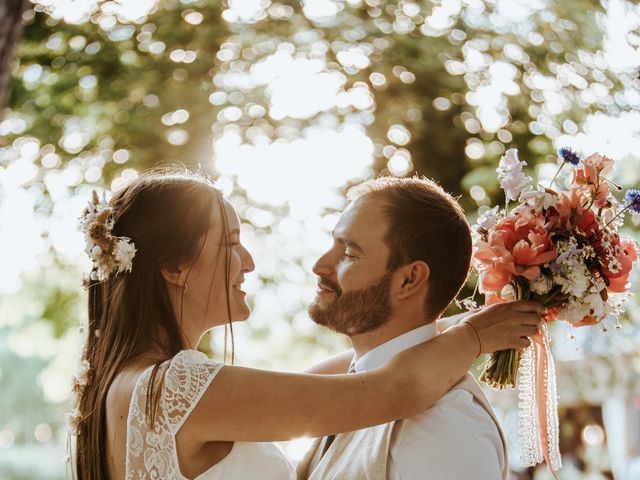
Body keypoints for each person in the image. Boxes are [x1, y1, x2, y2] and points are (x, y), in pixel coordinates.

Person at [69, 168, 544, 480]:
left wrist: (460, 320)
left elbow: (352, 371)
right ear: (174, 267)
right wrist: (477, 335)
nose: (248, 262)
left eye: (349, 251)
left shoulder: (130, 386)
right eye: (230, 243)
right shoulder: (179, 387)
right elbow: (387, 389)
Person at [297, 176, 516, 480]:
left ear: (409, 279)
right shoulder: (351, 385)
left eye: (348, 252)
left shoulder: (444, 429)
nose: (320, 265)